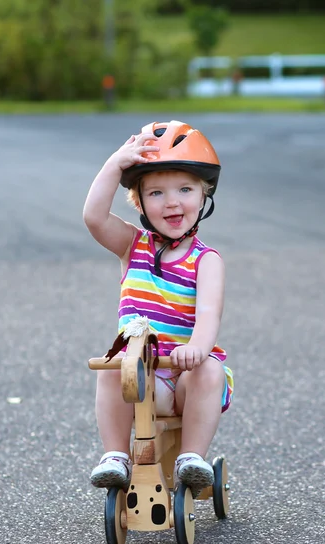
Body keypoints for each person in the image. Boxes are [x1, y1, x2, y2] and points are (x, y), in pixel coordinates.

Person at [83, 120, 233, 496]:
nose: (171, 202)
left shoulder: (206, 261)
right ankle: (115, 456)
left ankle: (192, 458)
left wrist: (196, 348)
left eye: (185, 189)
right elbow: (94, 218)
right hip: (141, 374)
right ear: (139, 202)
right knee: (112, 367)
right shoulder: (132, 246)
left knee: (209, 369)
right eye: (156, 193)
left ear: (203, 196)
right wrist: (115, 164)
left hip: (184, 377)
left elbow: (208, 316)